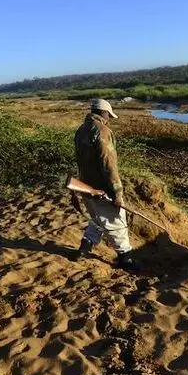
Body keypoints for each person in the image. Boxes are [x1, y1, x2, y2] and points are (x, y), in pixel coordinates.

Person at [71, 99, 141, 271]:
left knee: (97, 219)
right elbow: (108, 164)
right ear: (104, 113)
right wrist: (117, 191)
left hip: (85, 185)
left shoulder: (81, 130)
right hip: (102, 187)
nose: (109, 119)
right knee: (116, 221)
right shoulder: (102, 130)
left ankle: (85, 247)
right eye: (109, 115)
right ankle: (126, 258)